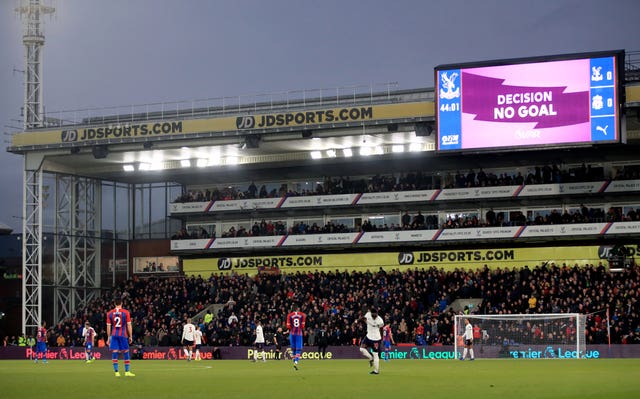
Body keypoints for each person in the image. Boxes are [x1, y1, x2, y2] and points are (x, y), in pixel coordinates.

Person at [107, 296, 135, 377]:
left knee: (114, 351)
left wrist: (108, 337)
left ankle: (116, 372)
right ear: (121, 303)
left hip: (114, 334)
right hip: (123, 335)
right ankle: (127, 372)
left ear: (114, 304)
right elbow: (129, 325)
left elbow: (108, 326)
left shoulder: (110, 313)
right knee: (126, 351)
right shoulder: (126, 312)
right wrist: (130, 336)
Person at [359, 308, 384, 375]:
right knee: (361, 349)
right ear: (371, 313)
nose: (374, 316)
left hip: (376, 339)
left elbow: (381, 329)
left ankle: (376, 371)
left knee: (376, 355)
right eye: (373, 315)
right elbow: (364, 318)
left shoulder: (380, 320)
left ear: (377, 314)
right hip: (368, 336)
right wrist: (360, 320)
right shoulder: (368, 314)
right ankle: (370, 357)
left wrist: (381, 338)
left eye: (375, 315)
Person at [286, 305, 306, 370]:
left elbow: (288, 326)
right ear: (297, 309)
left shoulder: (289, 315)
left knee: (294, 349)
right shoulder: (302, 315)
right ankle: (296, 362)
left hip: (292, 333)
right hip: (298, 334)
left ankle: (294, 362)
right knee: (298, 349)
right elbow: (302, 326)